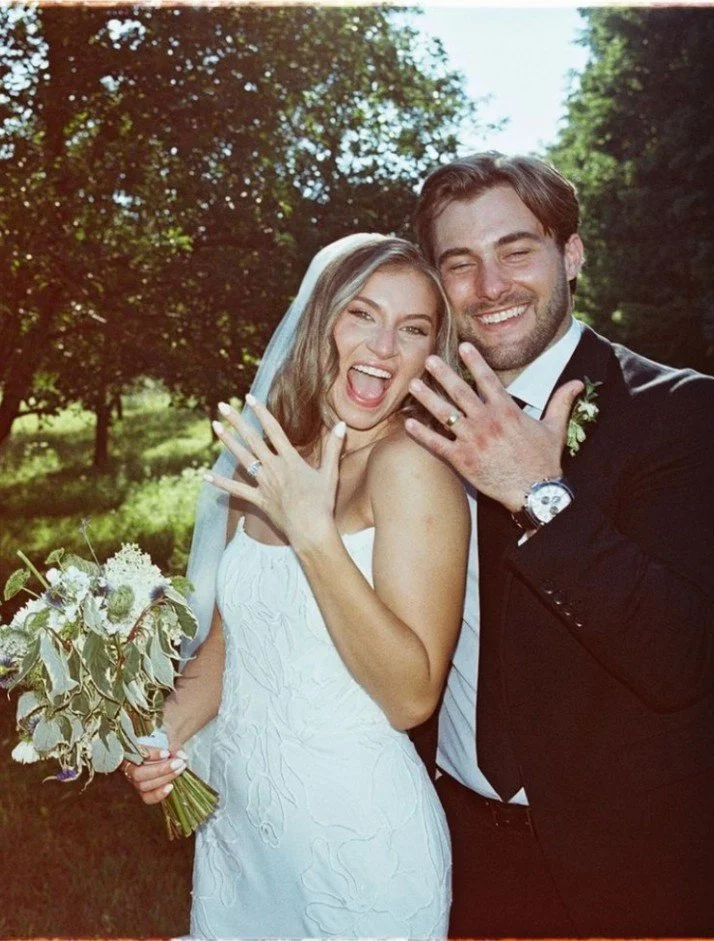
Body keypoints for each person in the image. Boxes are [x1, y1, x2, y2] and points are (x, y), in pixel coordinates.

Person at [404, 152, 714, 938]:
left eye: (516, 250)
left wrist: (540, 496)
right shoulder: (419, 425)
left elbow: (684, 657)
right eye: (461, 263)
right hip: (450, 850)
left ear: (570, 254)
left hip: (629, 875)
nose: (491, 286)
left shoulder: (682, 413)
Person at [124, 234, 470, 940]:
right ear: (321, 324)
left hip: (358, 850)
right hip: (241, 832)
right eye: (361, 314)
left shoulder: (410, 468)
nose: (382, 346)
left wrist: (314, 534)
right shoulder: (275, 453)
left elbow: (410, 695)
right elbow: (229, 643)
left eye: (412, 328)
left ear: (432, 353)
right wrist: (161, 735)